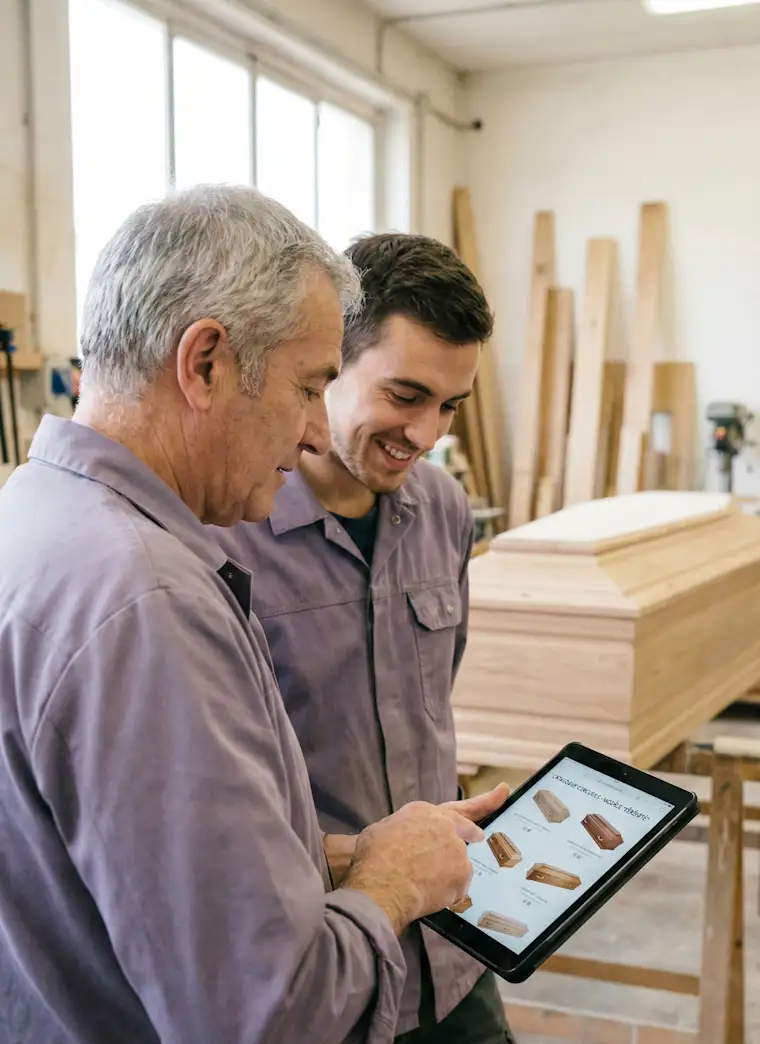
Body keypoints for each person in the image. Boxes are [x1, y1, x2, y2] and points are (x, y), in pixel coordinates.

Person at [0, 187, 509, 1044]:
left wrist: (355, 854)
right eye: (311, 385)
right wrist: (383, 888)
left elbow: (143, 864)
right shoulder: (148, 597)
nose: (313, 430)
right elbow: (263, 1012)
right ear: (205, 363)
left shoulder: (36, 515)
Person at [213, 233, 516, 1043]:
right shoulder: (225, 539)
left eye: (450, 407)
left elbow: (434, 700)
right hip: (323, 962)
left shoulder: (444, 511)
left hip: (451, 952)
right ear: (330, 362)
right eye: (406, 394)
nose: (425, 433)